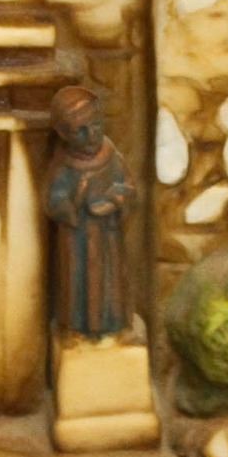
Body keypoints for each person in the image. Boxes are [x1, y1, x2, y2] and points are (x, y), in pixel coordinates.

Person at [44, 85, 133, 341]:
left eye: (96, 126)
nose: (91, 135)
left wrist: (117, 200)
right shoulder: (64, 165)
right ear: (63, 134)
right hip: (77, 241)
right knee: (78, 282)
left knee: (110, 282)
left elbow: (127, 186)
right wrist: (77, 198)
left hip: (108, 237)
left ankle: (112, 323)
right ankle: (79, 326)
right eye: (80, 131)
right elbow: (54, 200)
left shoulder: (111, 155)